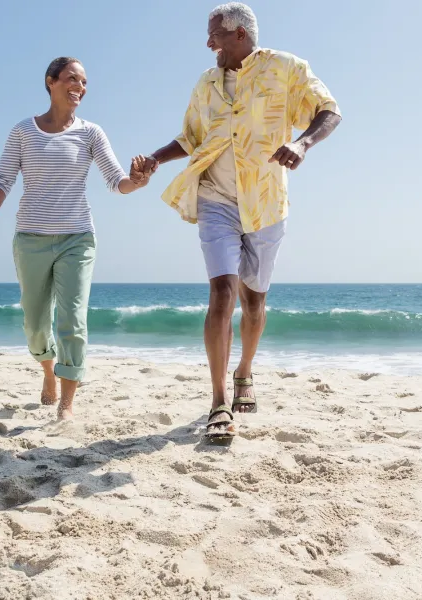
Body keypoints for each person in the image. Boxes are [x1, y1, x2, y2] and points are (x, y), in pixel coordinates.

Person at [133, 3, 341, 441]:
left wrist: (302, 144)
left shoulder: (286, 68)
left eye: (216, 36)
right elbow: (190, 137)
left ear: (240, 35)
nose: (209, 44)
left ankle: (245, 369)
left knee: (253, 302)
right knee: (222, 291)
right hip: (215, 197)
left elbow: (330, 110)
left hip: (265, 201)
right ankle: (218, 400)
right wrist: (154, 158)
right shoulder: (206, 83)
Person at [0, 57, 152, 420]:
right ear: (51, 82)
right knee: (35, 324)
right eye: (73, 79)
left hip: (77, 238)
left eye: (84, 82)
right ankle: (48, 372)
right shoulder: (24, 131)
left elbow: (116, 181)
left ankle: (67, 403)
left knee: (73, 318)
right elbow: (2, 178)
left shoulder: (91, 133)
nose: (80, 87)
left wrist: (137, 181)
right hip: (31, 239)